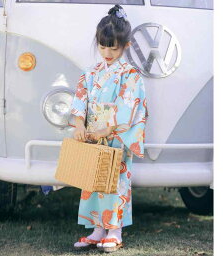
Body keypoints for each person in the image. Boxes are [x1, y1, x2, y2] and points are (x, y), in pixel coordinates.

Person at [70, 4, 149, 253]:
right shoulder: (90, 73)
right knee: (92, 181)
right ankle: (96, 230)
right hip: (93, 136)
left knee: (115, 183)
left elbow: (129, 106)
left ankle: (114, 231)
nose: (107, 52)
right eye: (103, 46)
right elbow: (80, 100)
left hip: (116, 137)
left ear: (125, 46)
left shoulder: (131, 75)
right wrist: (79, 125)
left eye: (113, 48)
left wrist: (108, 129)